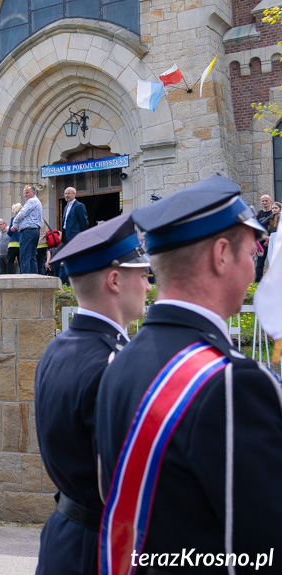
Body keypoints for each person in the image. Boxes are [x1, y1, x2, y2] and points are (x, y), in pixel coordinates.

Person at [95, 175, 280, 575]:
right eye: (252, 252)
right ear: (220, 255)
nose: (256, 265)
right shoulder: (234, 383)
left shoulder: (118, 362)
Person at [34, 214, 151, 575]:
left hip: (62, 537)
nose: (148, 286)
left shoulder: (56, 348)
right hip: (103, 548)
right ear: (115, 280)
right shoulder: (115, 361)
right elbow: (127, 484)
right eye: (143, 275)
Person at [10, 185, 43, 273]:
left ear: (33, 193)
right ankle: (34, 279)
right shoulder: (37, 202)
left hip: (28, 231)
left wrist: (14, 224)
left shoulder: (31, 201)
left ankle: (25, 281)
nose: (25, 195)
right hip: (34, 231)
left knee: (24, 257)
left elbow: (22, 213)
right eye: (24, 193)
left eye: (27, 192)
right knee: (32, 257)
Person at [255, 193, 273, 281]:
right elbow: (255, 228)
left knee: (274, 263)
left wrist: (270, 239)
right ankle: (257, 284)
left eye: (266, 201)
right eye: (263, 201)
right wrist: (265, 238)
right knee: (259, 264)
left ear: (271, 201)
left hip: (273, 241)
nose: (264, 202)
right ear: (261, 202)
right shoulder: (258, 214)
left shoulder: (274, 213)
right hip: (261, 242)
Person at [6, 203, 22, 274]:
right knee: (21, 262)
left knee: (10, 262)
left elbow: (9, 232)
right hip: (21, 243)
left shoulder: (13, 218)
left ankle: (10, 276)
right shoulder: (23, 219)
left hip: (13, 243)